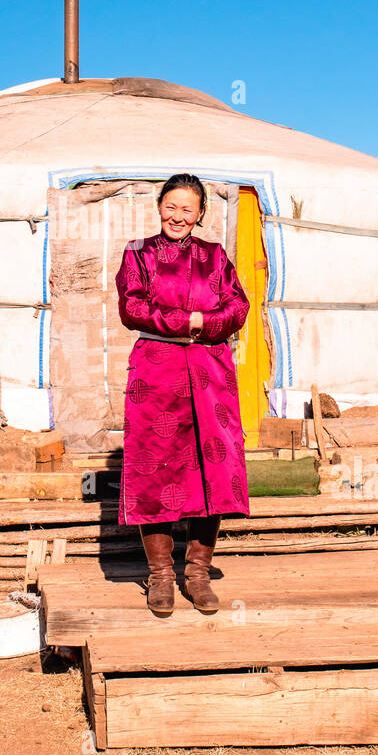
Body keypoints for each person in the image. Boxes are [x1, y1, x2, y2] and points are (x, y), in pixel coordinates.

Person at [115, 173, 251, 616]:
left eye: (187, 209)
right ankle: (159, 576)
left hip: (210, 372)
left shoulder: (215, 256)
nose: (177, 216)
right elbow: (132, 307)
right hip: (157, 371)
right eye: (171, 206)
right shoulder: (138, 253)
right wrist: (190, 321)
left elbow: (238, 306)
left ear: (200, 214)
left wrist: (205, 325)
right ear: (160, 207)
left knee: (212, 468)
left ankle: (197, 573)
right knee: (156, 467)